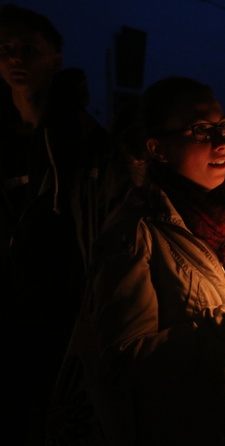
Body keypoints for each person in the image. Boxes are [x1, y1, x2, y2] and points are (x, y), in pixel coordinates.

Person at [47, 76, 225, 445]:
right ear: (158, 148)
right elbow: (125, 362)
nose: (222, 142)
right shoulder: (136, 232)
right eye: (202, 130)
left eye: (223, 127)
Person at [0, 4, 125, 442]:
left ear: (55, 58)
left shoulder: (85, 143)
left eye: (28, 49)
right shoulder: (4, 138)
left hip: (68, 311)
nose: (16, 58)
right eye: (7, 49)